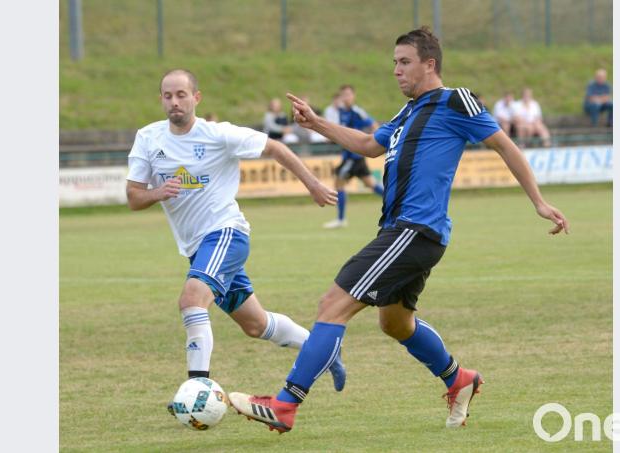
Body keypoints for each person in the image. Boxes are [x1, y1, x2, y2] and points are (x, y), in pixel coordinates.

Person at [228, 27, 569, 432]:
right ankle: (459, 379)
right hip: (407, 233)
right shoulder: (406, 113)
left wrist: (539, 201)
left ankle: (285, 406)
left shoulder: (455, 100)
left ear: (430, 64)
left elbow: (505, 145)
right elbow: (369, 145)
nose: (396, 70)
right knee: (395, 324)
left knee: (332, 305)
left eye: (404, 62)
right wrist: (317, 124)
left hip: (414, 230)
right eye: (394, 62)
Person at [125, 69, 346, 417]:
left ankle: (197, 390)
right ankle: (323, 351)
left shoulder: (219, 135)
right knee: (256, 325)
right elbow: (134, 197)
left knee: (192, 299)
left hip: (227, 233)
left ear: (196, 98)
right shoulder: (149, 138)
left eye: (181, 94)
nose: (174, 102)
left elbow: (274, 147)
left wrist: (313, 185)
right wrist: (157, 192)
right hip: (199, 248)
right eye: (168, 96)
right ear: (161, 100)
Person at [322, 85, 385, 229]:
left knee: (339, 183)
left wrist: (372, 142)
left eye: (349, 94)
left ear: (353, 96)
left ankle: (341, 219)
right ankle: (398, 202)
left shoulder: (358, 112)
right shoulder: (342, 112)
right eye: (344, 94)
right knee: (371, 185)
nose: (346, 97)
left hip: (354, 156)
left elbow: (374, 126)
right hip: (350, 155)